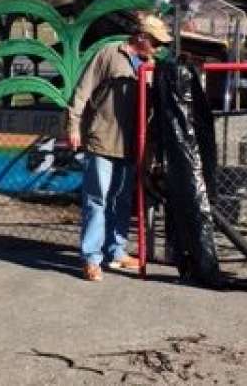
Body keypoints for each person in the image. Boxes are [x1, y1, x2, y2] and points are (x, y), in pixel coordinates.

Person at [67, 14, 172, 281]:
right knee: (97, 199)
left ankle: (116, 251)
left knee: (122, 199)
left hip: (131, 144)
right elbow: (83, 89)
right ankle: (91, 258)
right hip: (102, 139)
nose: (159, 48)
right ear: (141, 38)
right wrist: (73, 126)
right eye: (156, 42)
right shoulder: (109, 55)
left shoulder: (152, 66)